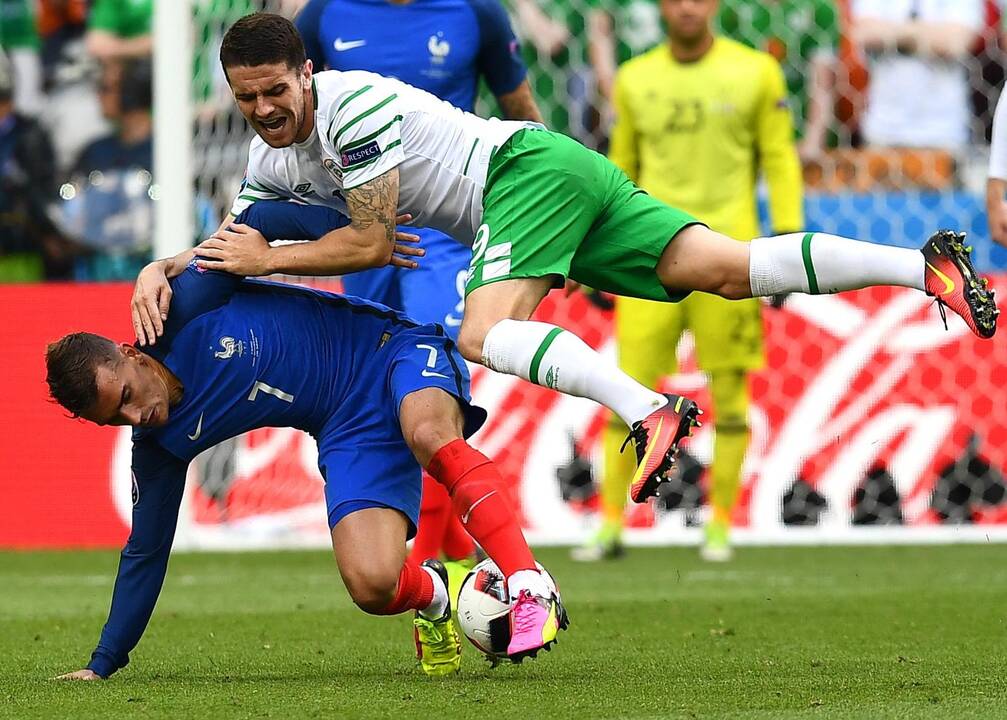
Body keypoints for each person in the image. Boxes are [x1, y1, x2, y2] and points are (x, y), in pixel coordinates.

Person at [132, 13, 999, 519]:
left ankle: (647, 407)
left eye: (276, 90)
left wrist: (272, 253)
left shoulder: (351, 109)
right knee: (727, 269)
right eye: (246, 98)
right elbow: (232, 244)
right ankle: (920, 264)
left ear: (307, 73)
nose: (263, 110)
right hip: (556, 171)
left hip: (523, 177)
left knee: (478, 330)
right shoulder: (267, 161)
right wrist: (162, 266)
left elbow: (365, 243)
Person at [48, 200, 567, 681]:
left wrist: (360, 238)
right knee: (371, 583)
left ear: (130, 353)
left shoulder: (184, 305)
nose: (138, 415)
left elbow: (259, 219)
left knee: (429, 433)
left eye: (125, 396)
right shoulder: (159, 447)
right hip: (346, 427)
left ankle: (526, 583)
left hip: (392, 351)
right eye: (116, 419)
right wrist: (103, 663)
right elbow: (145, 552)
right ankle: (436, 595)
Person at [294, 0, 544, 594]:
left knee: (434, 364)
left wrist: (550, 222)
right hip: (360, 226)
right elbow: (290, 111)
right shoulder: (323, 14)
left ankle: (435, 563)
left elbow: (521, 113)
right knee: (384, 381)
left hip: (445, 225)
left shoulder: (475, 12)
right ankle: (452, 551)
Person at [574, 0, 803, 563]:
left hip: (731, 258)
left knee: (729, 396)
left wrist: (789, 241)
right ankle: (610, 526)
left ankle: (720, 525)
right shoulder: (634, 78)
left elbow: (780, 157)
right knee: (621, 391)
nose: (686, 7)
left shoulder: (756, 72)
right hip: (651, 256)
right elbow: (618, 169)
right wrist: (599, 251)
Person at [850, 0, 983, 150]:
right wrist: (925, 36)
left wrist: (891, 35)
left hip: (944, 132)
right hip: (881, 128)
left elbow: (955, 43)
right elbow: (864, 33)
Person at [717, 0, 840, 162]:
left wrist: (812, 144)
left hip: (798, 141)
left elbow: (823, 85)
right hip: (744, 142)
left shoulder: (819, 7)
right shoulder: (730, 7)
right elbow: (720, 82)